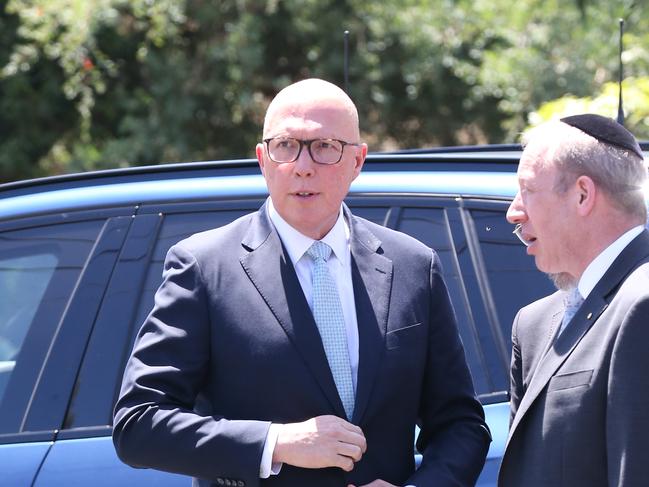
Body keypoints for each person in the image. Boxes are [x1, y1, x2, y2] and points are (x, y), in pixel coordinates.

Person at [113, 78, 490, 487]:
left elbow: (460, 424)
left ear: (358, 161)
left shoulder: (413, 266)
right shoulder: (204, 266)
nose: (303, 165)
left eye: (325, 147)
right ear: (262, 159)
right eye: (286, 146)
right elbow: (138, 424)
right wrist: (276, 442)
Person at [498, 114, 649, 487]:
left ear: (583, 194)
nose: (513, 211)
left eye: (527, 190)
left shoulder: (641, 303)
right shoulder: (534, 323)